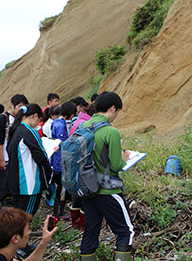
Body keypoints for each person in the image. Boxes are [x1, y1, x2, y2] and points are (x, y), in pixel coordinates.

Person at [80, 91, 133, 261]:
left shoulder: (83, 127)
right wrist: (125, 159)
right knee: (126, 231)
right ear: (112, 108)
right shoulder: (111, 131)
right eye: (117, 111)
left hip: (87, 190)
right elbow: (116, 165)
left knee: (90, 232)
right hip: (107, 190)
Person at [6, 104, 52, 216]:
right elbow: (41, 157)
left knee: (17, 217)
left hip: (17, 182)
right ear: (35, 116)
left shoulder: (15, 130)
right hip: (29, 184)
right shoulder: (30, 132)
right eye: (39, 120)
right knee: (25, 218)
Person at [0, 95, 29, 207]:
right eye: (20, 106)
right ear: (12, 105)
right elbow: (0, 141)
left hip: (14, 158)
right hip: (5, 159)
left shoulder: (20, 119)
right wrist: (2, 159)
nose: (21, 110)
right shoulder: (4, 118)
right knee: (5, 188)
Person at [50, 102, 77, 220]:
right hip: (61, 160)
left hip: (56, 159)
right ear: (70, 114)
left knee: (60, 185)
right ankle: (58, 212)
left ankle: (58, 210)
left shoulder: (55, 122)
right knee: (61, 186)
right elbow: (62, 142)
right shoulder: (61, 125)